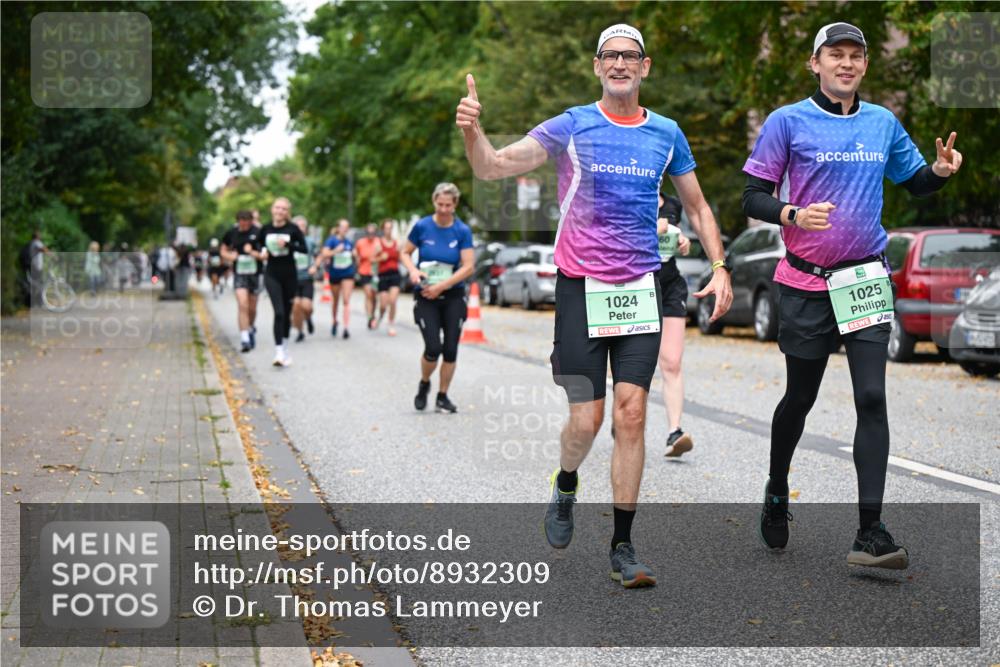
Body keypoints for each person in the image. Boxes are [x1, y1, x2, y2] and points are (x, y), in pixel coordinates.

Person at [456, 23, 732, 587]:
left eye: (631, 56)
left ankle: (623, 547)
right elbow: (492, 166)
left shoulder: (667, 133)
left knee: (632, 413)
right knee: (588, 418)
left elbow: (698, 207)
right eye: (611, 55)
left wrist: (721, 265)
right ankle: (565, 483)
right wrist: (473, 132)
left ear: (646, 66)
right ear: (597, 65)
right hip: (581, 288)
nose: (621, 64)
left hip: (640, 289)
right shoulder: (573, 125)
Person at [742, 22, 962, 569]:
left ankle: (870, 531)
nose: (846, 63)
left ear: (865, 65)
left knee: (871, 398)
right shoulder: (787, 121)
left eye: (855, 56)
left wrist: (938, 171)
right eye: (835, 55)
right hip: (805, 283)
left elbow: (914, 181)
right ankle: (776, 487)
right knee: (801, 398)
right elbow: (752, 196)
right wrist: (792, 213)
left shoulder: (882, 122)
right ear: (814, 63)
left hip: (864, 280)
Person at [399, 183, 474, 414]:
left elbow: (469, 266)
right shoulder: (422, 226)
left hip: (452, 295)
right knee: (433, 348)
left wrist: (443, 285)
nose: (443, 209)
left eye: (448, 205)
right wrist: (412, 270)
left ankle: (442, 396)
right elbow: (404, 252)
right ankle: (424, 383)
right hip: (426, 295)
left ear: (455, 205)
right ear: (434, 202)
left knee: (450, 349)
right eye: (440, 204)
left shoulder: (462, 231)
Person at [655, 193, 695, 457]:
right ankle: (622, 420)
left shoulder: (671, 204)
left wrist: (683, 241)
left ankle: (675, 431)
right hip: (635, 283)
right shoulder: (626, 195)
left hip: (669, 285)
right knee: (635, 365)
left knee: (671, 362)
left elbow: (667, 238)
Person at [259, 197, 308, 367]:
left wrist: (288, 244)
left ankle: (285, 347)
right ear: (272, 209)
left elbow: (304, 249)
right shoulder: (265, 228)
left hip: (289, 275)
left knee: (286, 313)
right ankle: (279, 351)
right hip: (272, 274)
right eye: (277, 208)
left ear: (287, 212)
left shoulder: (293, 229)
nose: (280, 211)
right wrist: (262, 251)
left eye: (284, 209)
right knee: (278, 312)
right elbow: (257, 245)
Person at [221, 210, 263, 353]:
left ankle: (250, 327)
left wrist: (252, 253)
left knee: (252, 308)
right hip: (239, 274)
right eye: (241, 222)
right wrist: (229, 256)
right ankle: (244, 338)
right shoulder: (232, 233)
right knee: (242, 304)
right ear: (238, 221)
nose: (244, 225)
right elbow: (223, 250)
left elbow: (265, 255)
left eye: (247, 222)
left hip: (255, 274)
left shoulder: (259, 232)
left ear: (251, 221)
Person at [319, 219, 356, 339]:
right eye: (343, 227)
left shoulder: (349, 242)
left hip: (348, 273)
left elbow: (355, 257)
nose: (345, 229)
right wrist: (335, 251)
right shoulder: (331, 241)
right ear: (338, 228)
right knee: (336, 300)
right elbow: (324, 254)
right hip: (335, 274)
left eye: (347, 227)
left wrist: (355, 255)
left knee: (346, 300)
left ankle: (346, 327)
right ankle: (334, 321)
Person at [291, 215, 318, 342]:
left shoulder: (310, 241)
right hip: (293, 279)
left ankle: (308, 318)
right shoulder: (289, 241)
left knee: (306, 306)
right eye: (298, 226)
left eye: (303, 226)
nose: (301, 228)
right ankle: (300, 331)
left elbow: (318, 256)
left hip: (307, 278)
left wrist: (315, 266)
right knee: (296, 305)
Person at [372, 219, 402, 336]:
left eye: (391, 228)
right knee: (383, 304)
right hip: (383, 276)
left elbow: (402, 257)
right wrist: (380, 258)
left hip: (395, 274)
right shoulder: (378, 243)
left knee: (393, 300)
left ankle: (391, 324)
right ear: (383, 229)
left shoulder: (397, 243)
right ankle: (380, 317)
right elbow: (371, 259)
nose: (389, 230)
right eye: (387, 228)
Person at [354, 222, 379, 329]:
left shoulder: (379, 242)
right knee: (368, 294)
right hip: (364, 272)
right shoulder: (360, 242)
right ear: (366, 232)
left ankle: (373, 314)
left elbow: (384, 256)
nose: (371, 234)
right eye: (369, 232)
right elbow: (357, 255)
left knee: (374, 296)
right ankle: (369, 317)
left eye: (373, 232)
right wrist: (356, 258)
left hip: (376, 273)